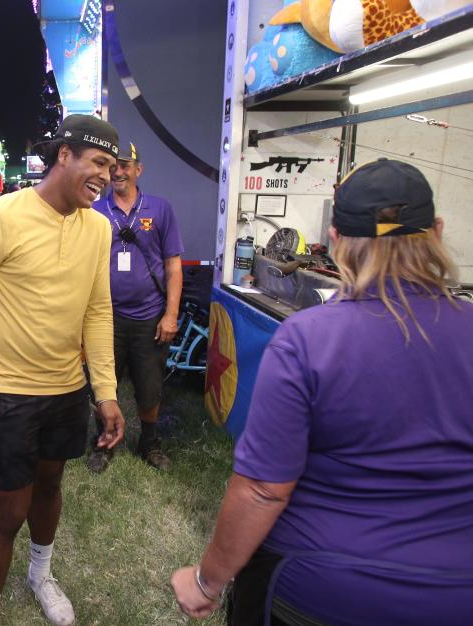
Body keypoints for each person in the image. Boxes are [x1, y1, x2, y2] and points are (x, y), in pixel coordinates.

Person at [171, 159, 473, 626]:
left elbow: (263, 490)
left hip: (316, 586)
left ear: (335, 240)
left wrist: (206, 581)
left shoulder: (308, 339)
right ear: (435, 230)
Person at [0, 115, 127, 626]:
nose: (106, 176)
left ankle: (40, 574)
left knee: (50, 486)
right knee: (7, 511)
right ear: (63, 155)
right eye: (99, 163)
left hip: (66, 387)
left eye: (112, 168)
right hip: (6, 391)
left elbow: (97, 310)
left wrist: (105, 393)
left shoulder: (98, 227)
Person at [87, 141, 183, 472]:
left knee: (150, 386)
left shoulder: (159, 208)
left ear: (138, 170)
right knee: (103, 384)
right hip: (105, 317)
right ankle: (104, 441)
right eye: (113, 166)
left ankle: (149, 442)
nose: (118, 171)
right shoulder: (96, 211)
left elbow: (173, 265)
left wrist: (170, 315)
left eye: (125, 165)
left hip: (149, 318)